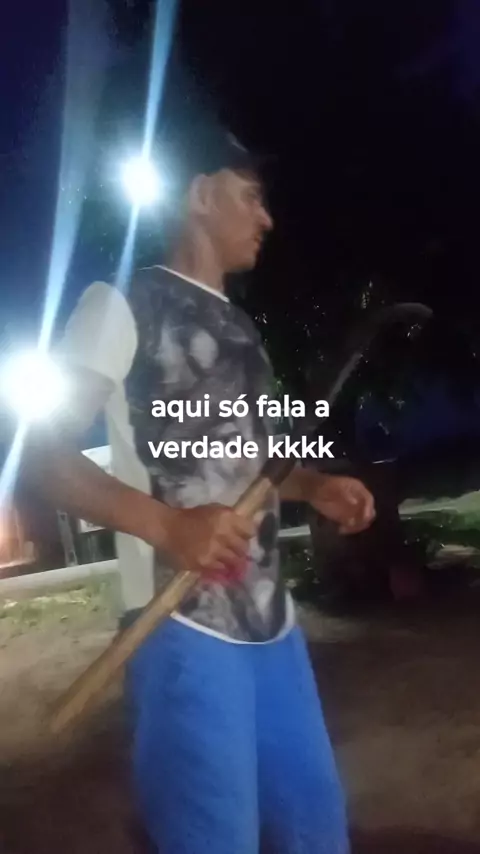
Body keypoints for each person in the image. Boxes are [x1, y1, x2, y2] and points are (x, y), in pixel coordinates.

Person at [22, 120, 375, 853]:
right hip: (179, 628)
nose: (267, 218)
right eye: (251, 196)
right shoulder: (121, 304)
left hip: (274, 627)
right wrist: (167, 526)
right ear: (200, 196)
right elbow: (44, 457)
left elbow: (254, 464)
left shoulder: (243, 332)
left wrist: (314, 485)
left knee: (318, 832)